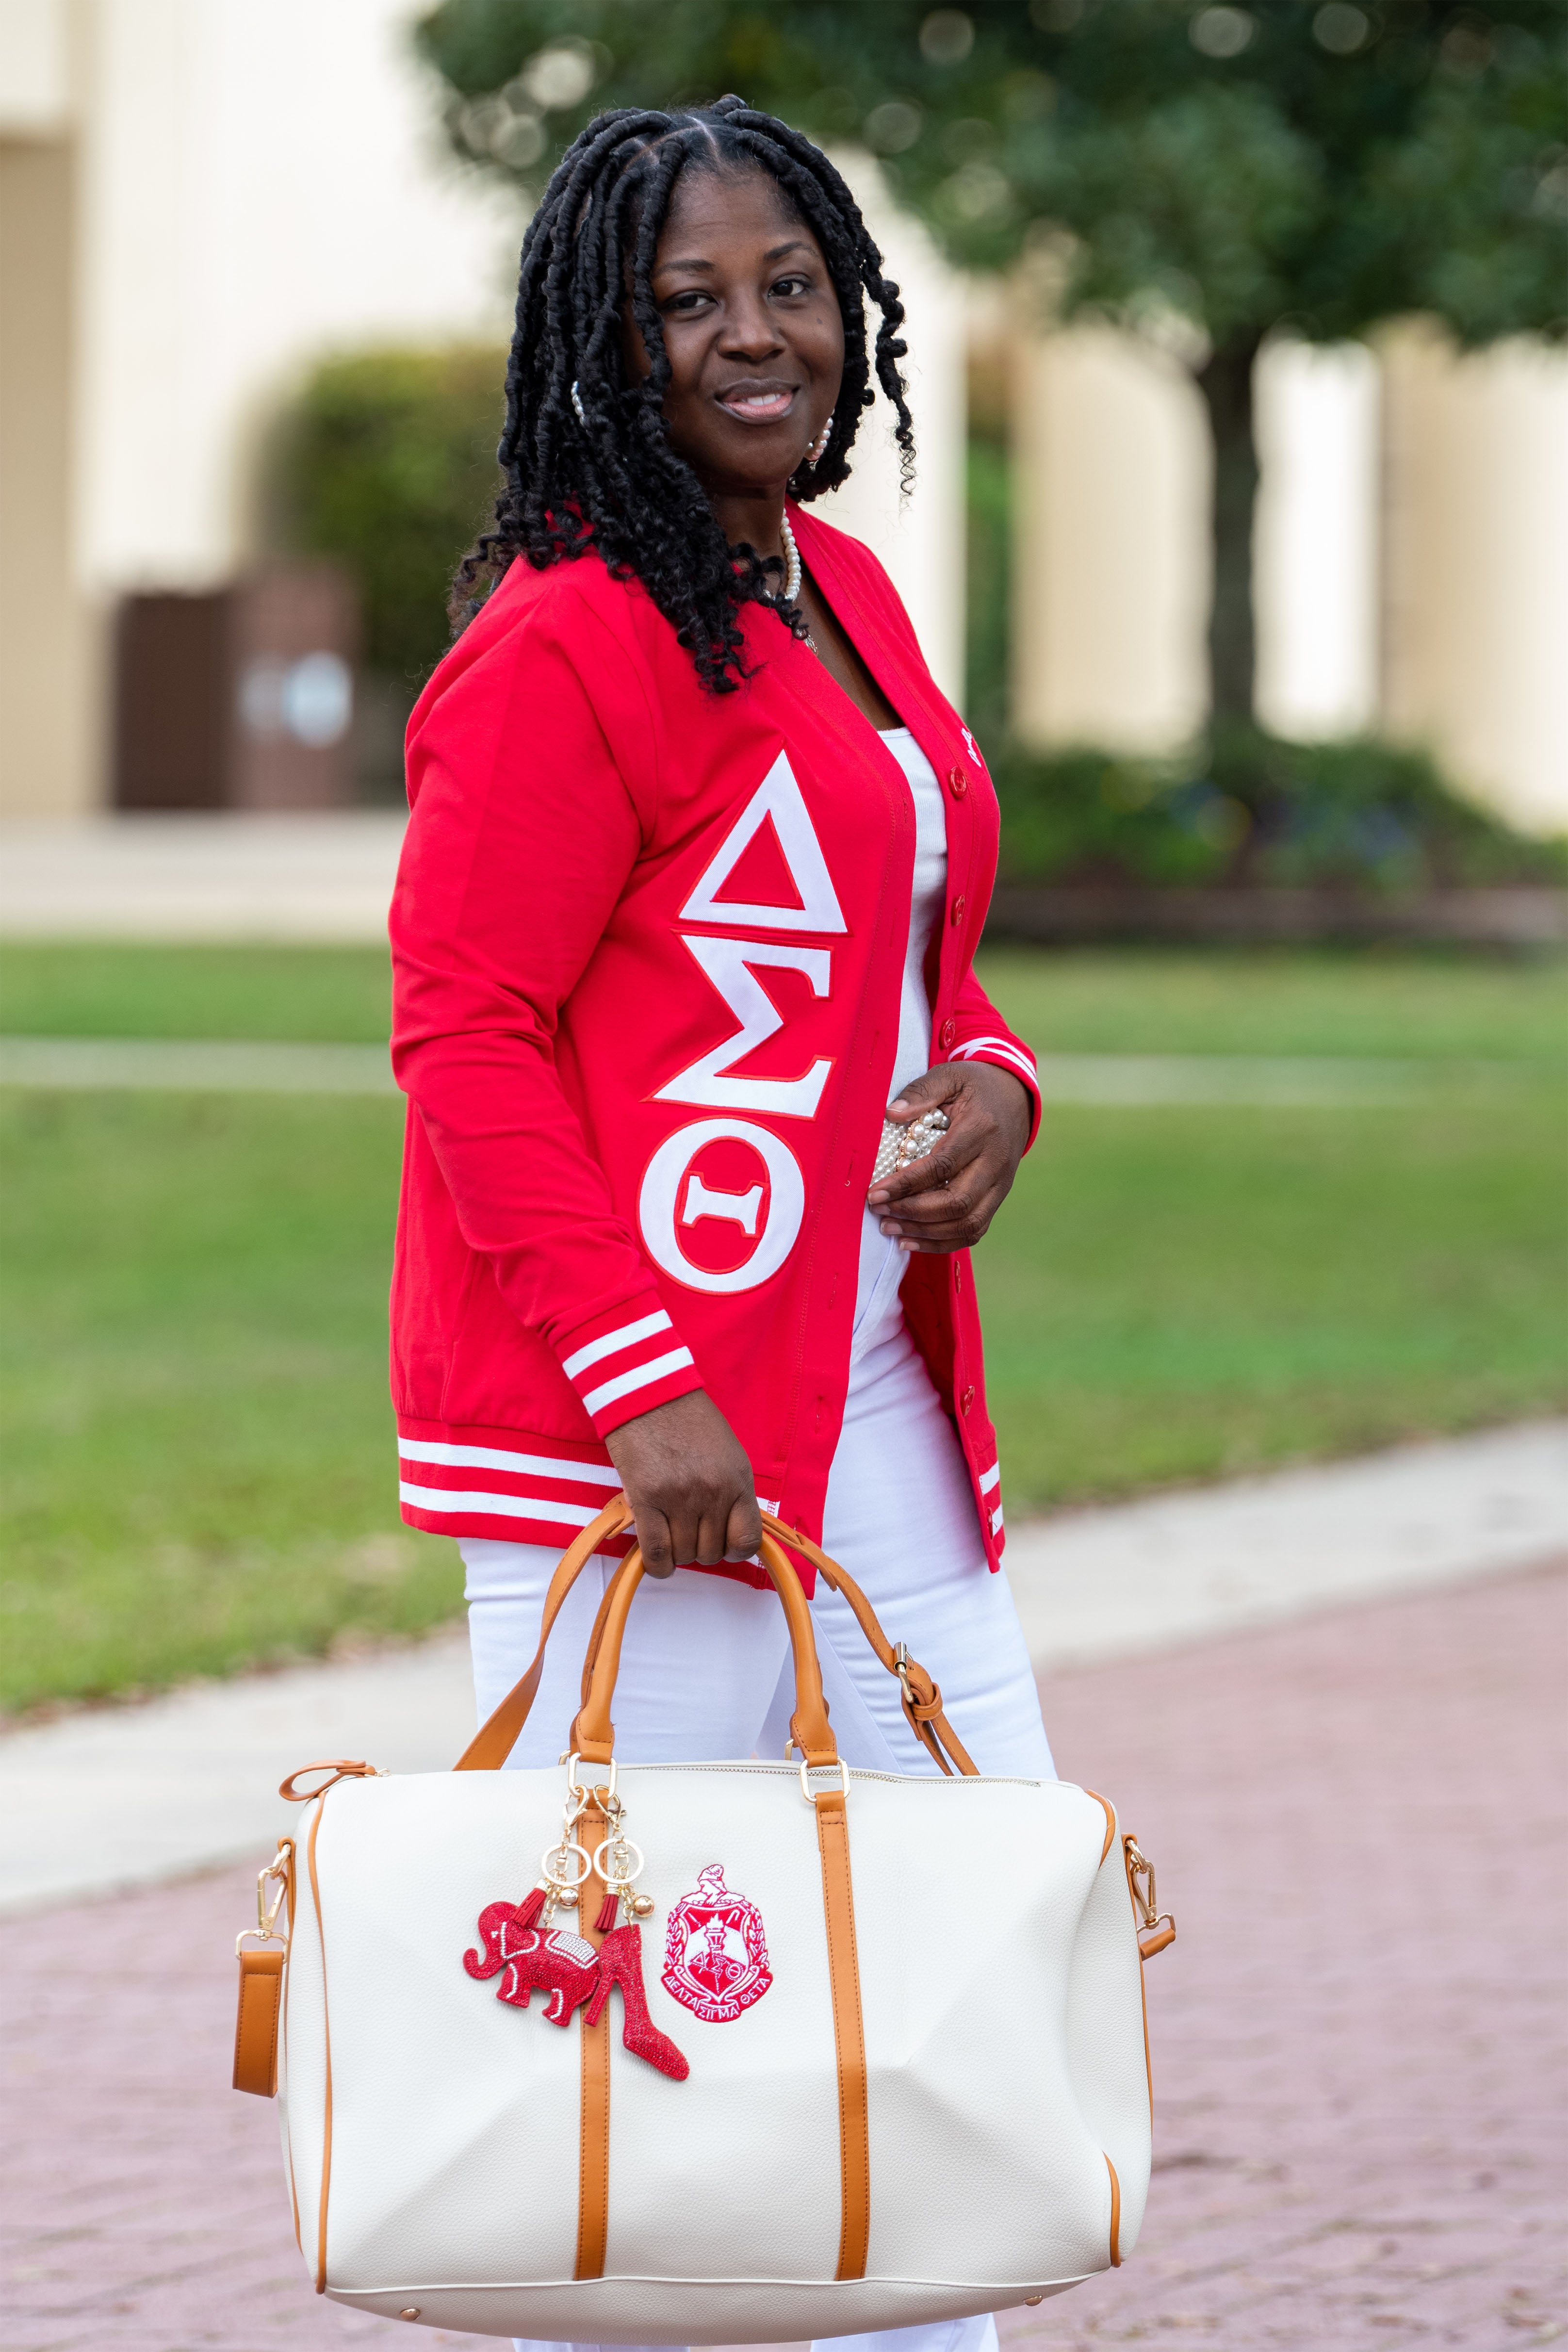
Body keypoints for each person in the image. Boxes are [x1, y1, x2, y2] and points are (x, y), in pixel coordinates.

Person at [389, 94, 1055, 2352]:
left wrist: (994, 1082)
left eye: (789, 287)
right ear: (605, 336)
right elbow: (463, 1033)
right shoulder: (566, 643)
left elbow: (916, 954)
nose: (754, 337)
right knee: (649, 2037)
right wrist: (641, 1390)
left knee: (963, 1952)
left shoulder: (838, 594)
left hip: (869, 1381)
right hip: (642, 1435)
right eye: (690, 302)